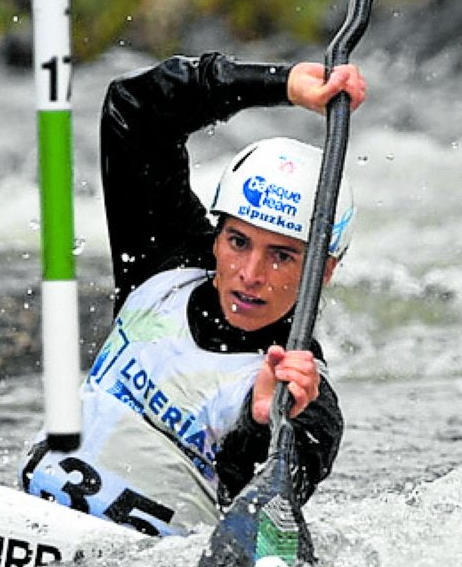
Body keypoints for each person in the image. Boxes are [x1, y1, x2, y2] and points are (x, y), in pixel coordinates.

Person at [21, 52, 367, 536]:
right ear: (217, 236)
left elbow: (258, 516)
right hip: (24, 525)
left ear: (323, 270)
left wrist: (261, 424)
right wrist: (282, 84)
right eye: (238, 242)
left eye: (282, 256)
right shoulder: (165, 264)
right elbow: (135, 107)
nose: (250, 274)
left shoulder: (307, 399)